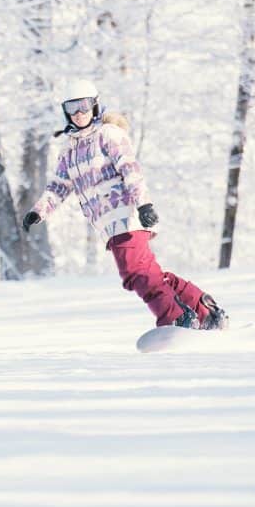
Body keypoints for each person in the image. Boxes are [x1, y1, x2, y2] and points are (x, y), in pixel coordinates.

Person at [22, 79, 229, 330]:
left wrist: (144, 205)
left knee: (136, 274)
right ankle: (203, 310)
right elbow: (58, 186)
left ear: (95, 106)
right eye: (72, 107)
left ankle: (174, 317)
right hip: (108, 225)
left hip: (128, 216)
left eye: (84, 106)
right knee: (150, 274)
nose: (79, 114)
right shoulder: (69, 150)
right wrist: (38, 211)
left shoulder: (108, 135)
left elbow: (130, 171)